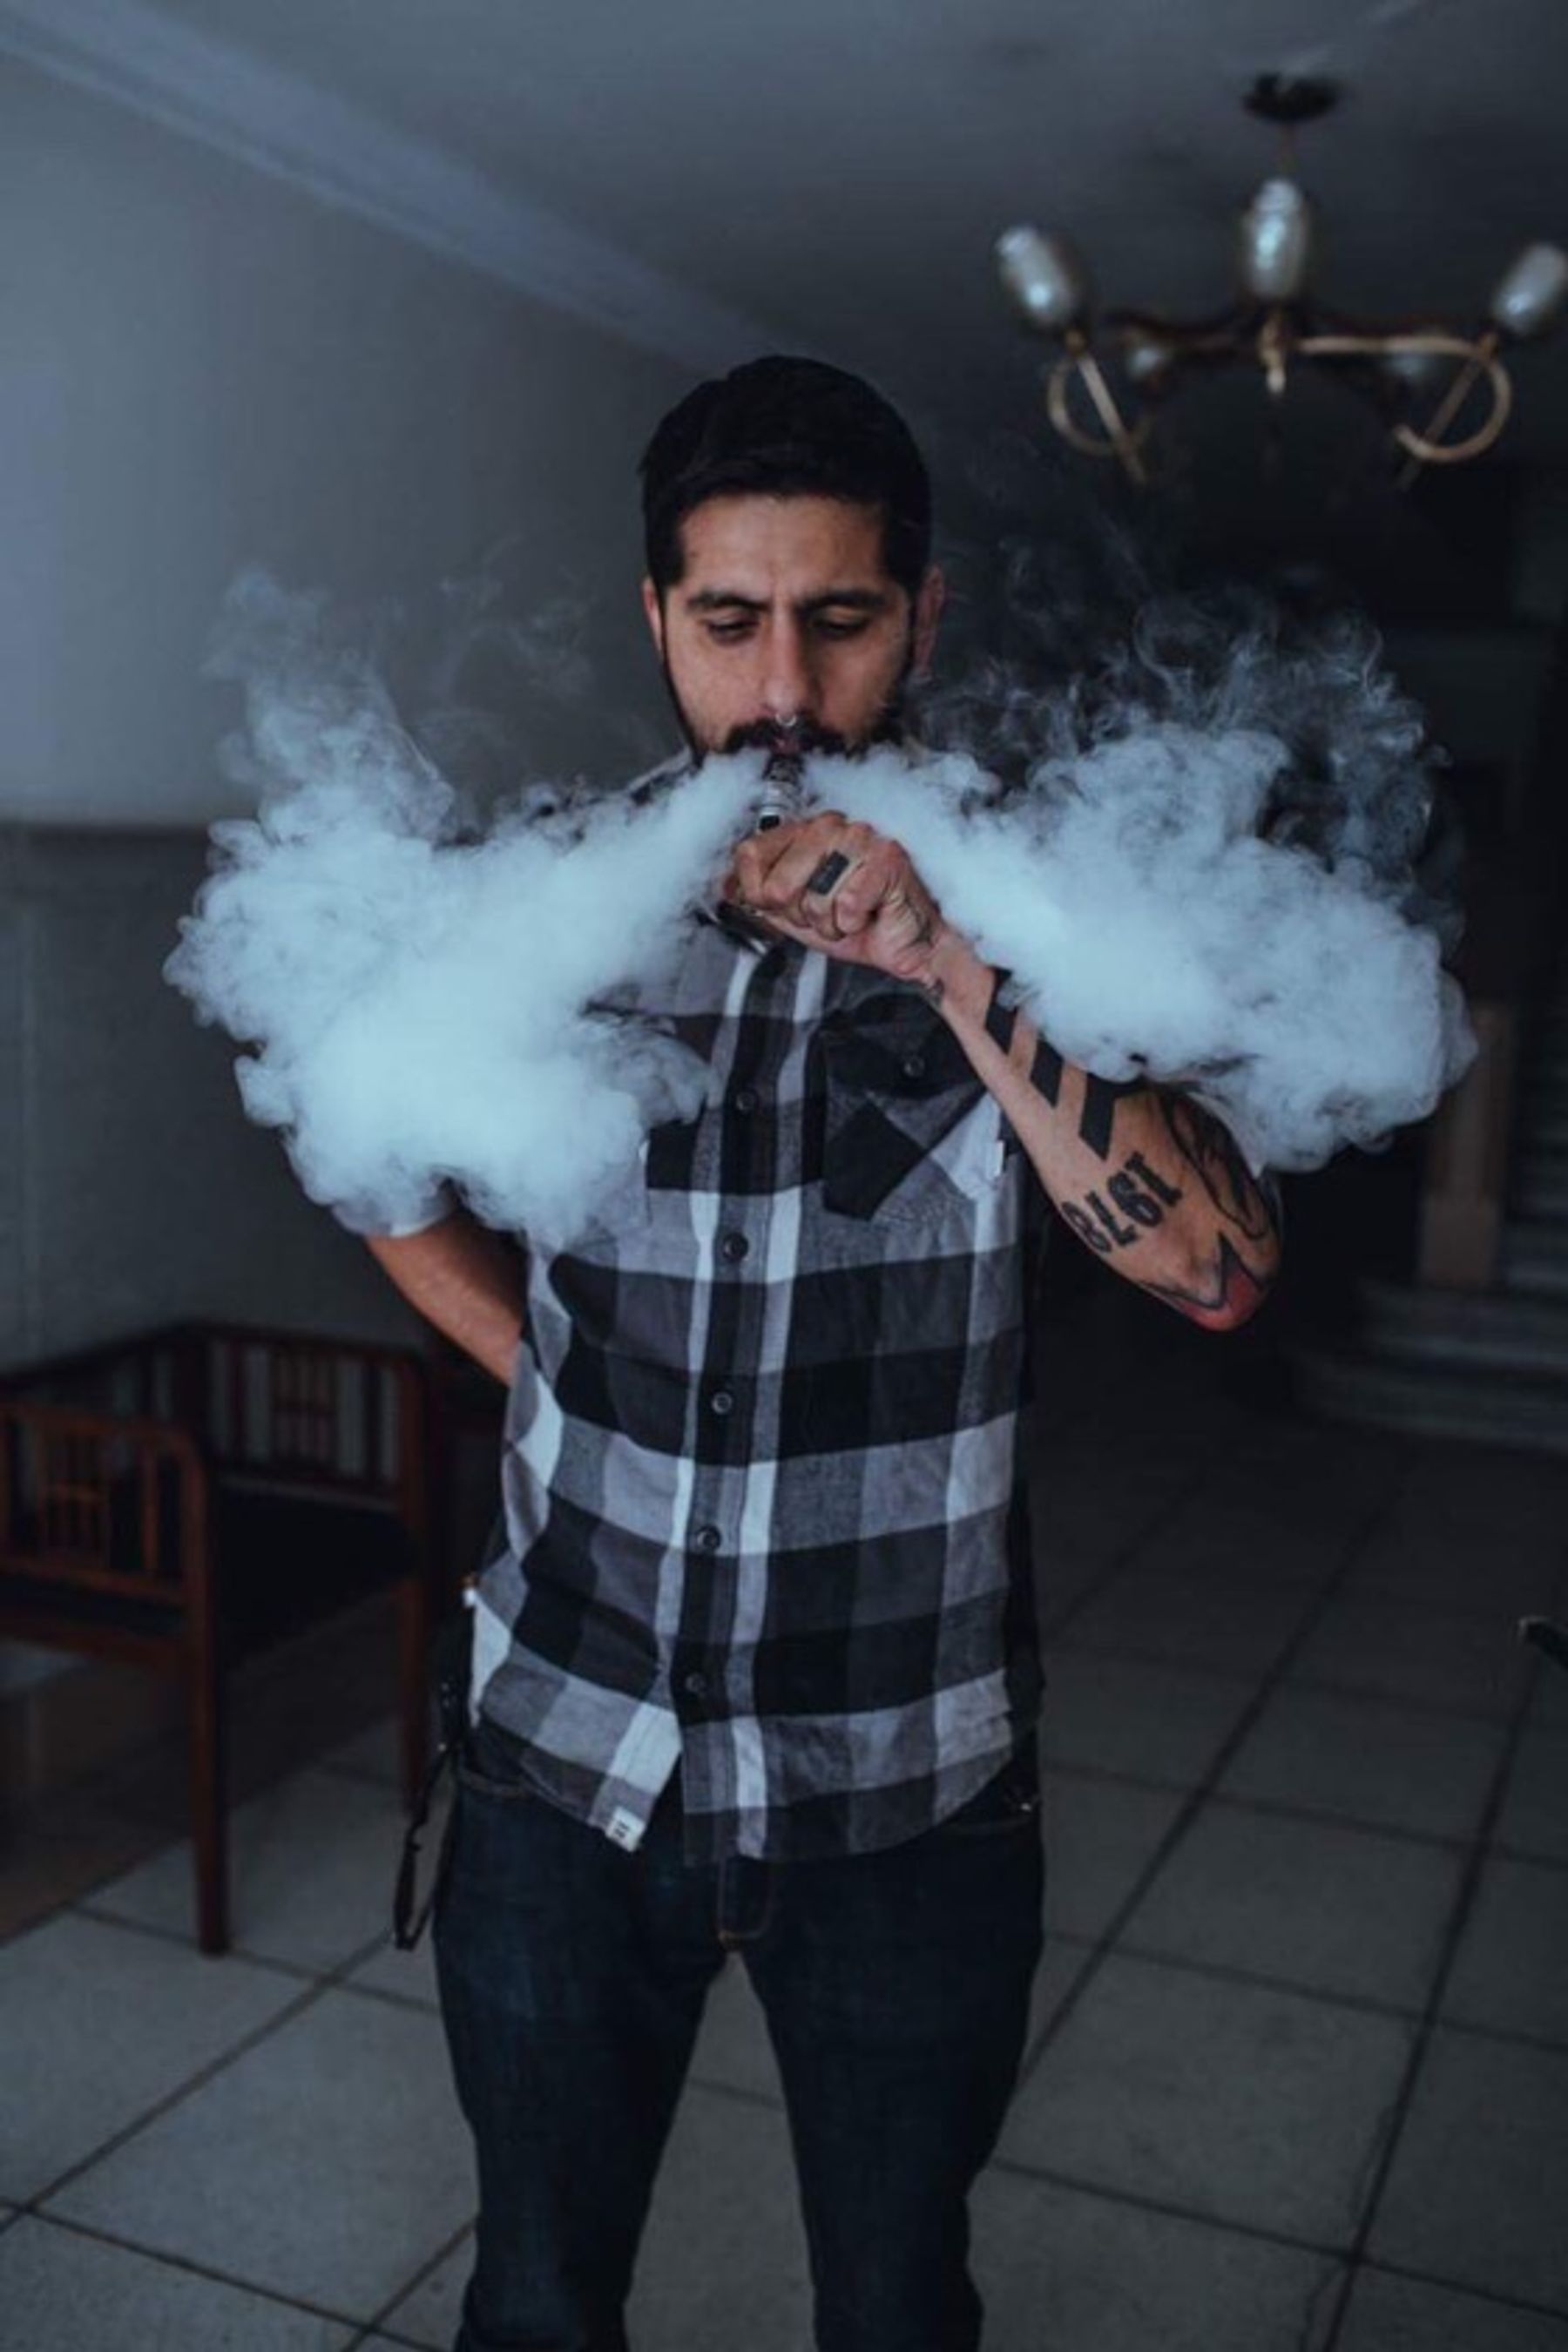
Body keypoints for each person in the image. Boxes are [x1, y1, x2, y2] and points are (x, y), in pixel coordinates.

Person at [366, 355, 1282, 2352]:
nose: (783, 686)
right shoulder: (555, 891)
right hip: (563, 1756)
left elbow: (1216, 1274)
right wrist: (545, 1369)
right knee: (534, 2303)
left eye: (840, 618)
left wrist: (953, 965)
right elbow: (371, 1161)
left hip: (905, 1787)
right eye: (730, 621)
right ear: (656, 616)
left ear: (921, 615)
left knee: (895, 2309)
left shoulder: (1049, 906)